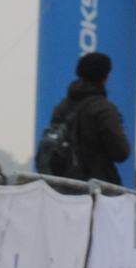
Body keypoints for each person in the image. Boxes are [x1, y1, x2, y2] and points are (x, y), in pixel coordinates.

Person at [42, 51, 131, 185]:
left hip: (60, 187)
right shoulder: (104, 109)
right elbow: (121, 152)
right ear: (105, 77)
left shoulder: (61, 108)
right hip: (96, 189)